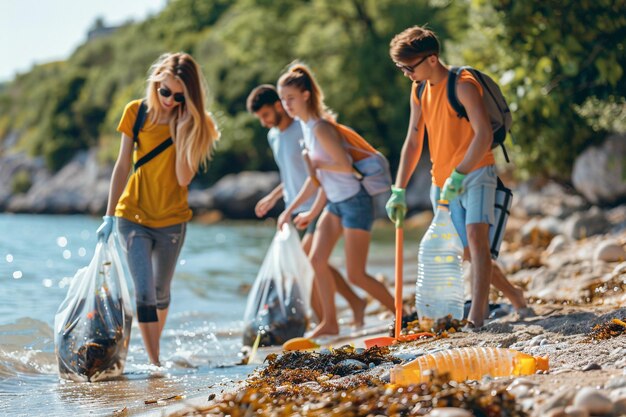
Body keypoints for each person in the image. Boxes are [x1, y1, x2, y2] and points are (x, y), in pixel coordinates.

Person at [386, 26, 529, 329]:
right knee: (466, 252)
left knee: (477, 242)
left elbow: (483, 133)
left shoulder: (462, 85)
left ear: (432, 59)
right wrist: (398, 190)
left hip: (476, 171)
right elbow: (413, 141)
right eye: (401, 67)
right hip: (441, 181)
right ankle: (515, 295)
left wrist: (461, 172)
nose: (406, 74)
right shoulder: (419, 89)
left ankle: (476, 318)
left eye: (409, 67)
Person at [96, 52, 220, 365]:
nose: (170, 99)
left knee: (161, 292)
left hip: (172, 221)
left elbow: (183, 177)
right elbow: (123, 164)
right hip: (132, 215)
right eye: (165, 91)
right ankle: (155, 363)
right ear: (156, 81)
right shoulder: (135, 112)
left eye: (179, 96)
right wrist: (109, 214)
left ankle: (154, 351)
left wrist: (182, 131)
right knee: (144, 293)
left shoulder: (197, 123)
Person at [276, 63, 395, 338]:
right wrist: (291, 211)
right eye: (283, 99)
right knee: (316, 259)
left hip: (355, 201)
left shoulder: (321, 128)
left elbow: (343, 166)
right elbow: (317, 181)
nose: (286, 105)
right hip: (334, 204)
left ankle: (402, 314)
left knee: (355, 274)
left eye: (290, 98)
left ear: (306, 95)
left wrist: (314, 166)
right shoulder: (305, 129)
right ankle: (330, 322)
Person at [246, 85, 367, 327]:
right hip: (296, 209)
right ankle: (352, 303)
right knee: (314, 261)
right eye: (260, 118)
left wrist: (311, 208)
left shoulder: (300, 129)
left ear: (279, 106)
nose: (264, 122)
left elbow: (316, 171)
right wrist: (273, 197)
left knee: (307, 263)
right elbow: (291, 175)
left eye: (266, 115)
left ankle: (326, 322)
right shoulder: (273, 136)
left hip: (318, 204)